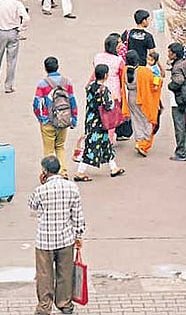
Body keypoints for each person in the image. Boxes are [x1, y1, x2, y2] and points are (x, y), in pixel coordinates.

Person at [28, 155, 84, 315]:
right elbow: (78, 214)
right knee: (65, 272)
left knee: (44, 275)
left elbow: (32, 206)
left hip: (44, 241)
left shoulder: (40, 190)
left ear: (44, 171)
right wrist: (79, 235)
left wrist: (42, 183)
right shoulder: (72, 187)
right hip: (66, 239)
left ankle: (44, 306)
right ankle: (65, 304)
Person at [74, 64, 124, 181]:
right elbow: (108, 106)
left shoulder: (90, 86)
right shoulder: (104, 90)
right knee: (91, 147)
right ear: (106, 75)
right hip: (100, 122)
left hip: (91, 119)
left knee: (106, 144)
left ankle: (113, 167)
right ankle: (80, 172)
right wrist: (113, 99)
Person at [33, 57, 78, 171]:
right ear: (57, 66)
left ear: (45, 68)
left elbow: (37, 103)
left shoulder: (42, 84)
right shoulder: (66, 82)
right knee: (60, 147)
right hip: (63, 119)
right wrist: (73, 118)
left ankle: (48, 173)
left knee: (48, 150)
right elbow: (72, 100)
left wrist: (41, 119)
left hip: (48, 121)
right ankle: (63, 171)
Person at [132, 50, 164, 157]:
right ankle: (143, 144)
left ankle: (143, 145)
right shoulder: (146, 68)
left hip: (151, 98)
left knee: (148, 121)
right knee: (146, 121)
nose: (149, 61)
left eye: (151, 60)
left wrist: (155, 85)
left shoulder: (154, 70)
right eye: (148, 59)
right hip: (149, 98)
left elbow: (156, 80)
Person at [167, 43, 186, 162]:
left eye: (170, 52)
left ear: (174, 54)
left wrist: (170, 85)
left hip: (178, 99)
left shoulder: (177, 68)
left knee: (179, 126)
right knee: (185, 125)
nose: (168, 54)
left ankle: (181, 152)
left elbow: (178, 81)